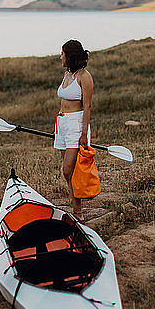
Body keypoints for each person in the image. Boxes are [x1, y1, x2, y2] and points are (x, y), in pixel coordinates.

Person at [54, 39, 93, 222]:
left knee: (68, 170)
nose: (60, 56)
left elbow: (87, 106)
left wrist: (84, 133)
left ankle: (78, 211)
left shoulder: (85, 77)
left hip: (76, 125)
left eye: (62, 53)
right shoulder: (67, 74)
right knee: (68, 171)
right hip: (62, 123)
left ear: (70, 56)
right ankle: (75, 208)